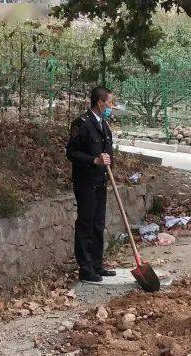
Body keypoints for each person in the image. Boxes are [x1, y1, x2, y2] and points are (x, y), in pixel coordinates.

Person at [66, 86, 117, 284]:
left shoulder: (104, 125)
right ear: (100, 103)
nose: (111, 106)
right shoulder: (82, 123)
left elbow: (107, 153)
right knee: (86, 224)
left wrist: (107, 164)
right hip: (86, 182)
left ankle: (97, 264)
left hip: (101, 181)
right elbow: (72, 153)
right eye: (110, 103)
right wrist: (94, 160)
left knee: (98, 224)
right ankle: (85, 269)